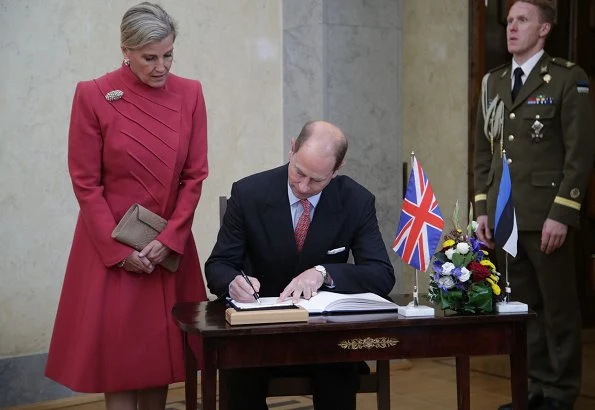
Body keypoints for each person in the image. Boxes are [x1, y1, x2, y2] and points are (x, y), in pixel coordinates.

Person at [45, 3, 208, 409]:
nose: (161, 66)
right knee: (119, 360)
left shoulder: (190, 93)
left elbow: (195, 176)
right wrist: (119, 251)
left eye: (168, 55)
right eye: (149, 57)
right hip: (110, 249)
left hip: (167, 249)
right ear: (126, 49)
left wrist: (170, 239)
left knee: (160, 356)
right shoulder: (93, 94)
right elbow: (85, 182)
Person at [205, 120, 395, 410]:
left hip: (324, 336)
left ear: (337, 170)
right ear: (292, 148)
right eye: (298, 172)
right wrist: (233, 282)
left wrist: (323, 273)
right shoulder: (249, 193)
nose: (304, 186)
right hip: (260, 333)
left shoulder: (356, 201)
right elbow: (219, 264)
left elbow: (381, 274)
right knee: (238, 374)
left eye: (317, 180)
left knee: (339, 370)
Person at [474, 1, 594, 409]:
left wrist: (562, 212)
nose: (512, 28)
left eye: (522, 20)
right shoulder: (493, 82)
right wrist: (482, 208)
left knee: (558, 310)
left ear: (544, 29)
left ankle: (559, 394)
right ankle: (532, 389)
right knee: (522, 310)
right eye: (509, 21)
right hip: (505, 215)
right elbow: (483, 151)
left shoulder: (566, 79)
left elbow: (579, 155)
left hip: (546, 216)